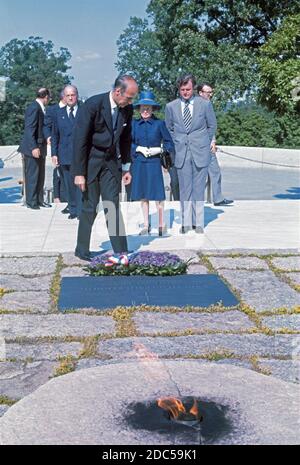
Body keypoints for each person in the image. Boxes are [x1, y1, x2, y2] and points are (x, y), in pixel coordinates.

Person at [71, 75, 138, 262]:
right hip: (90, 163)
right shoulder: (93, 105)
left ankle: (121, 251)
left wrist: (126, 167)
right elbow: (80, 140)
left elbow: (126, 139)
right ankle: (82, 250)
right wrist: (79, 173)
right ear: (118, 91)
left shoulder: (127, 109)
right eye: (129, 97)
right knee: (89, 207)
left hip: (110, 164)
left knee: (112, 206)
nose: (131, 102)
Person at [165, 74, 217, 233]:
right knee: (184, 189)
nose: (185, 92)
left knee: (199, 188)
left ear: (193, 88)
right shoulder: (171, 107)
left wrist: (203, 142)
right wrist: (178, 141)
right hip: (181, 153)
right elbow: (169, 128)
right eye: (182, 90)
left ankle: (198, 223)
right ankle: (186, 223)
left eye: (188, 89)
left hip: (200, 152)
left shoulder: (205, 104)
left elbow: (212, 125)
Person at [130, 90, 175, 236]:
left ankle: (161, 224)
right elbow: (127, 144)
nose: (145, 110)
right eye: (143, 107)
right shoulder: (134, 125)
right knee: (143, 195)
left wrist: (160, 149)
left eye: (148, 108)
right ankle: (146, 224)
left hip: (155, 163)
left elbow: (170, 143)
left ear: (153, 109)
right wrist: (138, 148)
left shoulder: (159, 124)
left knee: (158, 194)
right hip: (139, 163)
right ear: (139, 109)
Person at [197, 82, 233, 206]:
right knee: (213, 172)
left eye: (211, 92)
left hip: (200, 144)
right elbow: (209, 125)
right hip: (203, 145)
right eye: (208, 92)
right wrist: (212, 141)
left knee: (209, 172)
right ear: (200, 93)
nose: (210, 95)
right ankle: (216, 199)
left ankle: (213, 199)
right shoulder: (205, 105)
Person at [18, 88, 52, 209]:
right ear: (46, 97)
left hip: (40, 147)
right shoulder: (34, 108)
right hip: (33, 148)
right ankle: (31, 202)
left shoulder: (39, 107)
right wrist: (34, 147)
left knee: (40, 175)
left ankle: (39, 200)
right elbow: (29, 129)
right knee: (32, 175)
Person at [51, 85, 81, 219]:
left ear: (77, 96)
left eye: (72, 95)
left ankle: (81, 210)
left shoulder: (84, 111)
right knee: (68, 183)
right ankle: (73, 209)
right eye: (68, 95)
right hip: (64, 154)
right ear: (64, 97)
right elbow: (55, 135)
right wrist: (54, 154)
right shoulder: (59, 113)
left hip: (81, 154)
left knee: (81, 183)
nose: (70, 97)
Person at [44, 90, 68, 207]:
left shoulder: (76, 109)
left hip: (70, 148)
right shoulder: (52, 110)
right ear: (63, 97)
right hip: (57, 146)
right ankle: (58, 196)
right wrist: (48, 137)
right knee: (58, 171)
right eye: (68, 95)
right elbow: (46, 126)